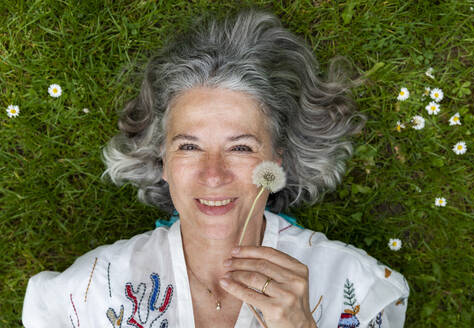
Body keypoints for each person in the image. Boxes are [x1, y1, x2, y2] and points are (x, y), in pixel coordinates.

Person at [22, 9, 409, 328]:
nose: (213, 174)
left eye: (240, 147)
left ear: (277, 160)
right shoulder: (90, 290)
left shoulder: (354, 286)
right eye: (189, 146)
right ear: (162, 162)